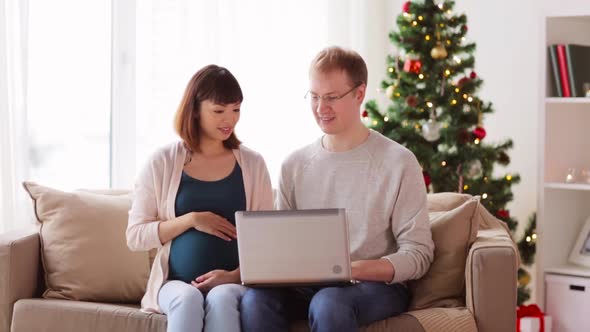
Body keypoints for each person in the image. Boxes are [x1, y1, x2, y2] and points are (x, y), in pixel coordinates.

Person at [240, 46, 434, 332]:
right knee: (255, 301)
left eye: (331, 97)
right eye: (315, 97)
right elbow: (283, 250)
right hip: (307, 285)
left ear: (359, 94)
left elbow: (418, 254)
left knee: (329, 303)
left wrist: (353, 268)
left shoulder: (398, 162)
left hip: (375, 286)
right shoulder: (294, 165)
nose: (321, 108)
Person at [126, 64, 274, 332]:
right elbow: (135, 236)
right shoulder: (162, 162)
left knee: (222, 297)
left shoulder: (253, 164)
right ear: (194, 109)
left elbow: (267, 243)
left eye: (236, 109)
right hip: (176, 284)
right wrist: (192, 220)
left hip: (233, 282)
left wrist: (232, 276)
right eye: (218, 111)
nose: (229, 120)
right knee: (188, 299)